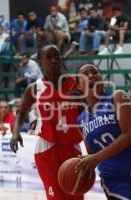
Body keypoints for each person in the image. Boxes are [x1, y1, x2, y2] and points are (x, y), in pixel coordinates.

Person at [75, 63, 131, 200]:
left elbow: (129, 135)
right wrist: (85, 163)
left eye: (94, 72)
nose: (91, 75)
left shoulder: (118, 97)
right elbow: (92, 154)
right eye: (85, 74)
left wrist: (95, 157)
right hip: (114, 179)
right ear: (79, 87)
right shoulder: (81, 120)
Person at [10, 45, 84, 200]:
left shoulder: (76, 84)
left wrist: (83, 101)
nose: (54, 61)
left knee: (76, 195)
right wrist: (15, 133)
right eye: (49, 57)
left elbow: (90, 112)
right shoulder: (34, 88)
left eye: (57, 56)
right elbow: (22, 113)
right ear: (40, 61)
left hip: (72, 148)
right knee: (55, 196)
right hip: (47, 149)